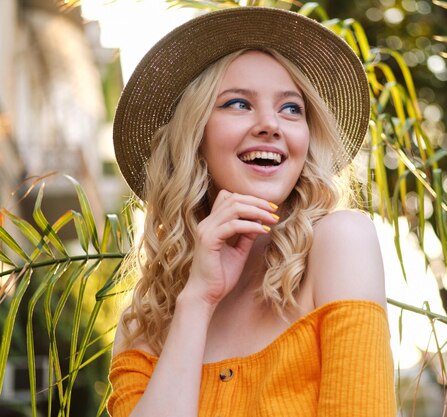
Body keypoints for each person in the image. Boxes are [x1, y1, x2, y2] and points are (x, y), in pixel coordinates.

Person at [107, 6, 395, 417]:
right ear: (194, 135)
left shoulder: (341, 242)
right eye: (238, 104)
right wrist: (197, 301)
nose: (270, 124)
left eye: (291, 108)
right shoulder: (146, 322)